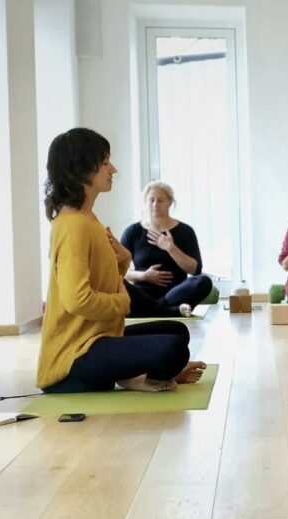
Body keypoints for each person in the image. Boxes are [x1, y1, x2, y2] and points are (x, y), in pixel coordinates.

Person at [37, 128, 206, 393]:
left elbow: (104, 281)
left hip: (101, 336)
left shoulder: (88, 219)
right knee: (172, 350)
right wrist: (123, 302)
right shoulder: (72, 226)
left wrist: (123, 261)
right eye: (105, 162)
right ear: (81, 169)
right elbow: (76, 299)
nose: (113, 169)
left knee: (177, 333)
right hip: (73, 357)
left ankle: (132, 372)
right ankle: (135, 377)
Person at [120, 181, 213, 317]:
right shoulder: (132, 232)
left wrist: (170, 248)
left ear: (170, 202)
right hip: (142, 293)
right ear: (145, 203)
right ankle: (170, 311)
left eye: (161, 200)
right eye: (151, 200)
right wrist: (144, 275)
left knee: (204, 282)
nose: (155, 205)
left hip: (175, 292)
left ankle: (154, 310)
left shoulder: (185, 231)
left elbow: (195, 270)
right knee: (117, 284)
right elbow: (120, 271)